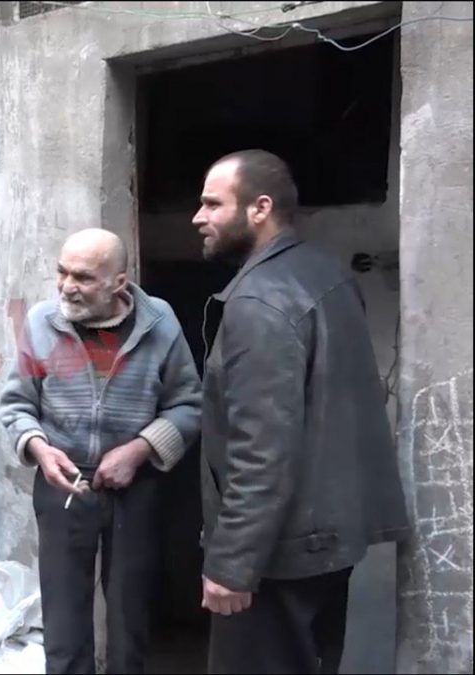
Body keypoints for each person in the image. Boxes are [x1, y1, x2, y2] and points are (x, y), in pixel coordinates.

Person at [192, 149, 410, 674]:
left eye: (212, 204)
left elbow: (262, 448)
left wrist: (232, 563)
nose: (198, 217)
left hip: (280, 555)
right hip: (327, 540)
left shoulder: (259, 303)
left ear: (260, 208)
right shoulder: (326, 273)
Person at [0, 228, 202, 674]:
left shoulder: (160, 323)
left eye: (84, 277)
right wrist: (39, 448)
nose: (67, 286)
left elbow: (189, 405)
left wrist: (139, 450)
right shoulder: (41, 322)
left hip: (136, 484)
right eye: (62, 272)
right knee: (63, 618)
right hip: (61, 481)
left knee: (131, 616)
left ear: (118, 283)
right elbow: (16, 405)